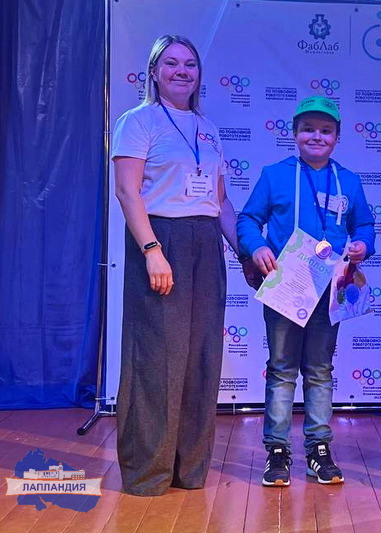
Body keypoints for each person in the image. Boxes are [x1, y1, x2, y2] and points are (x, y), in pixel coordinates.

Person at [112, 34, 240, 496]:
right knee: (157, 357)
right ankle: (148, 472)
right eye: (171, 63)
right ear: (153, 71)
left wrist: (244, 251)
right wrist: (151, 250)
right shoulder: (138, 121)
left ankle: (189, 469)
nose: (181, 71)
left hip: (205, 242)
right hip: (161, 238)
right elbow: (127, 191)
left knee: (202, 357)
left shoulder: (208, 127)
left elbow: (220, 202)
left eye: (189, 64)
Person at [237, 96, 375, 487]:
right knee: (282, 369)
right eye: (309, 129)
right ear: (294, 133)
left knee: (319, 370)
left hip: (329, 289)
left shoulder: (349, 181)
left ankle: (318, 448)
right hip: (286, 285)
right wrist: (256, 247)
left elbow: (365, 226)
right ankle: (277, 451)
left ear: (337, 137)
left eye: (326, 130)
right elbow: (247, 219)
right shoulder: (274, 175)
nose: (317, 136)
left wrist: (363, 245)